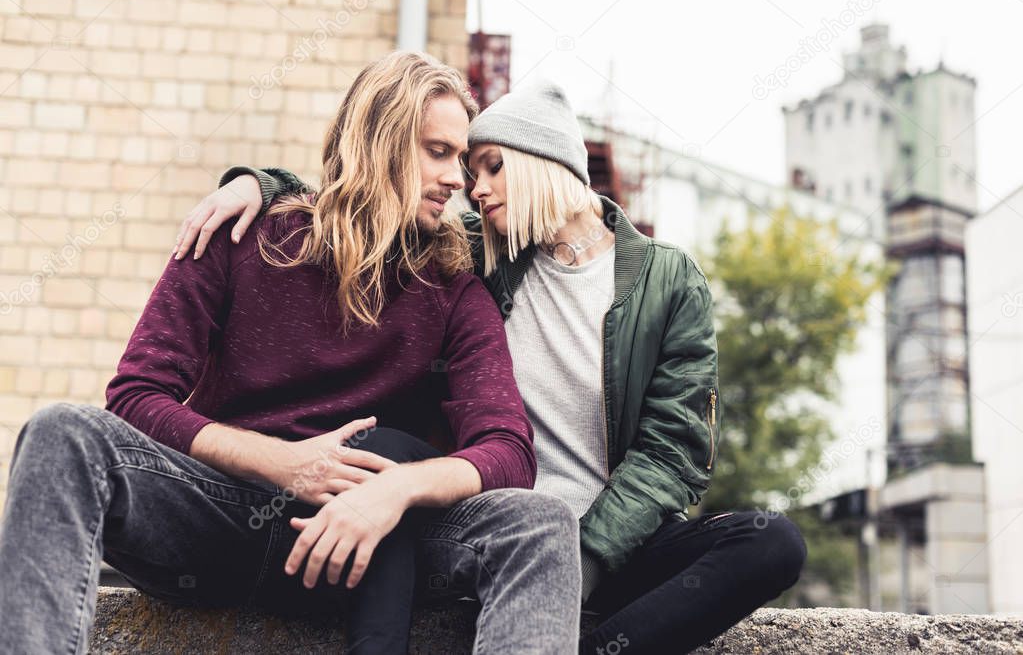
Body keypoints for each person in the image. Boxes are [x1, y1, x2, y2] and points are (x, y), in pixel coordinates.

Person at [178, 80, 808, 654]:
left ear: (548, 165)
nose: (473, 187)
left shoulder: (668, 283)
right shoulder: (471, 255)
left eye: (492, 166)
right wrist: (264, 184)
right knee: (426, 476)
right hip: (479, 527)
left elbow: (674, 455)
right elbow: (371, 197)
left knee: (771, 541)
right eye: (467, 168)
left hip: (609, 547)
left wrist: (580, 563)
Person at [0, 53, 584, 655]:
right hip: (219, 515)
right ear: (379, 143)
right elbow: (134, 397)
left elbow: (508, 450)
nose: (458, 179)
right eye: (438, 153)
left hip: (366, 549)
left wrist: (396, 491)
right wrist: (280, 463)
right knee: (61, 433)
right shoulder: (240, 233)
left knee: (539, 524)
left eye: (460, 160)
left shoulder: (455, 290)